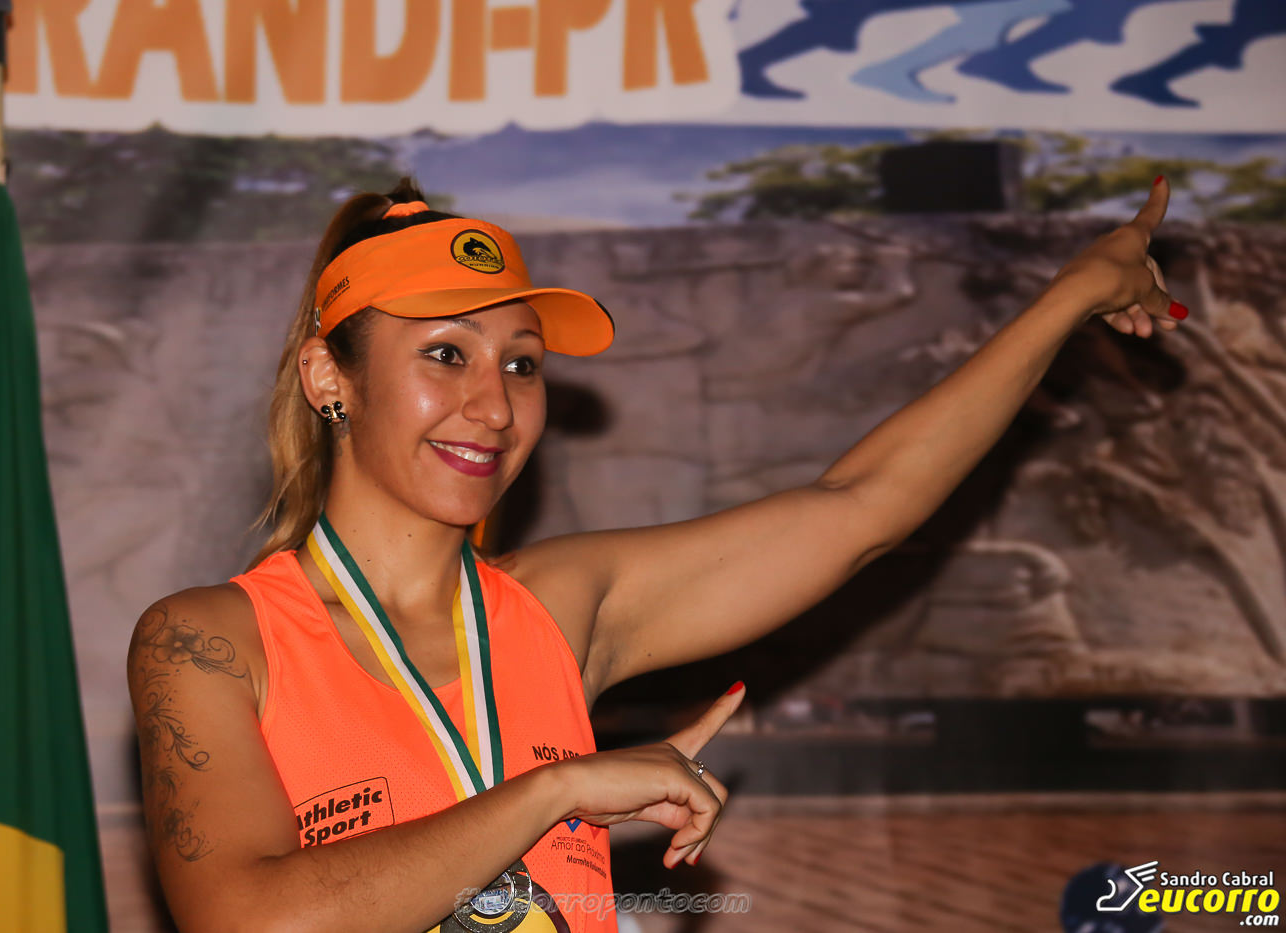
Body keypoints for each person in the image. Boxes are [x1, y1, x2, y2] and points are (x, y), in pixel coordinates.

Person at [127, 176, 1185, 933]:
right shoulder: (209, 641)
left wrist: (1070, 295)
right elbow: (250, 917)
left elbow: (859, 508)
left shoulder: (557, 606)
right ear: (330, 377)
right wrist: (552, 791)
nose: (493, 407)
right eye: (445, 354)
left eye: (522, 364)